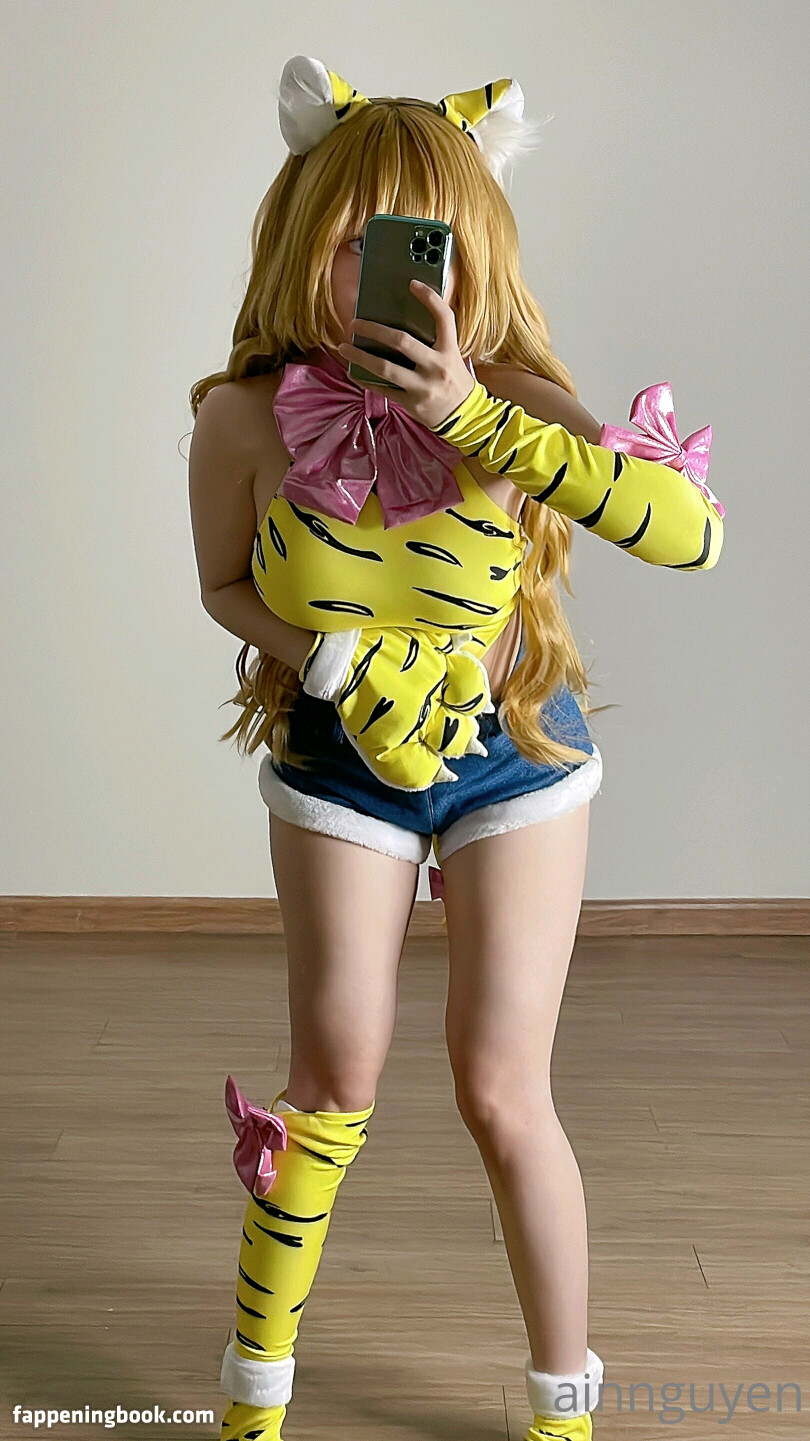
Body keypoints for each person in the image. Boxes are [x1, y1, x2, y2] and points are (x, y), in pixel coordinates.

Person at [187, 55, 725, 1441]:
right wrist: (330, 659)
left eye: (418, 243)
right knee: (331, 1086)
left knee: (501, 1088)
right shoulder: (243, 417)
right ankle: (251, 1399)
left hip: (514, 757)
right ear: (302, 238)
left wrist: (467, 415)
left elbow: (690, 539)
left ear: (471, 253)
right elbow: (222, 584)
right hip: (339, 762)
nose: (381, 269)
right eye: (353, 237)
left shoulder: (515, 401)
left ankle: (562, 1409)